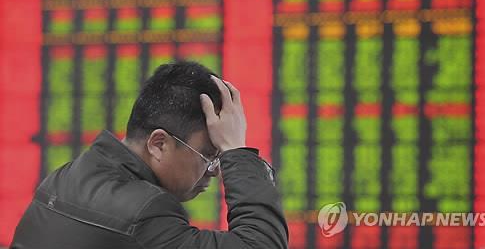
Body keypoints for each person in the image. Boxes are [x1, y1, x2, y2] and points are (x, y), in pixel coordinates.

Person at [10, 61, 289, 249]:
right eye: (208, 155)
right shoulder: (145, 212)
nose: (214, 171)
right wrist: (237, 151)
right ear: (159, 144)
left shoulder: (66, 176)